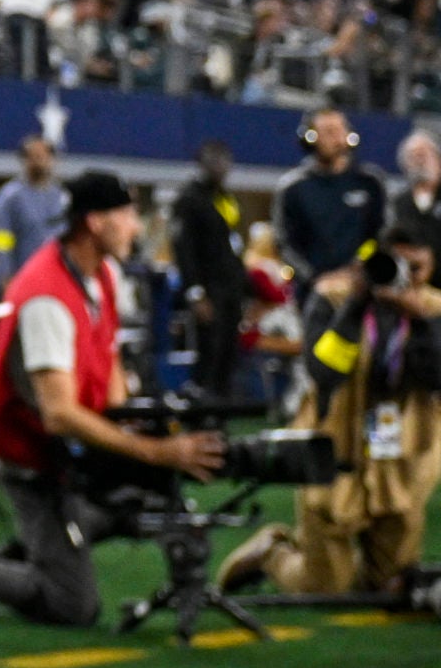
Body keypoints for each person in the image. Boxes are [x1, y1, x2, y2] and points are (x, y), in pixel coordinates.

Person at [0, 172, 225, 626]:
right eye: (128, 215)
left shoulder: (103, 274)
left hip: (72, 453)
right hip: (33, 457)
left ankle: (37, 545)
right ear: (95, 222)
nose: (136, 227)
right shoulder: (45, 296)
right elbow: (59, 415)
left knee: (139, 496)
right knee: (73, 606)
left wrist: (131, 424)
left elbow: (108, 356)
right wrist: (155, 451)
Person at [217, 222, 441, 596]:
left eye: (416, 267)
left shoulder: (433, 308)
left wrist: (418, 320)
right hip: (337, 454)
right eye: (393, 264)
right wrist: (356, 306)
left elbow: (436, 376)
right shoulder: (333, 298)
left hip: (402, 459)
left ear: (432, 266)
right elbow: (325, 372)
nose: (403, 276)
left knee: (389, 585)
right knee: (325, 586)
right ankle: (271, 551)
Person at [276, 106, 388, 289]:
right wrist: (314, 278)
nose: (336, 137)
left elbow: (381, 233)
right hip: (312, 289)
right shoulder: (293, 188)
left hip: (362, 285)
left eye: (340, 130)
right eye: (328, 132)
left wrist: (360, 265)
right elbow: (284, 243)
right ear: (310, 138)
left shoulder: (370, 182)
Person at [173, 139, 250, 398]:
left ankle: (222, 413)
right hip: (209, 289)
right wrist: (196, 293)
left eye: (224, 161)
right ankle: (203, 412)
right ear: (201, 165)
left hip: (231, 289)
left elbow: (232, 243)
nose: (220, 167)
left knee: (229, 352)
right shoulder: (189, 200)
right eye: (214, 161)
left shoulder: (225, 198)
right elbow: (184, 250)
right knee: (210, 352)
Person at [0, 135, 67, 271]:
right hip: (22, 272)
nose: (38, 161)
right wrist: (5, 274)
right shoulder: (10, 196)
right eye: (33, 156)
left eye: (43, 156)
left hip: (56, 272)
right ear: (24, 160)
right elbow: (0, 238)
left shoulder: (61, 196)